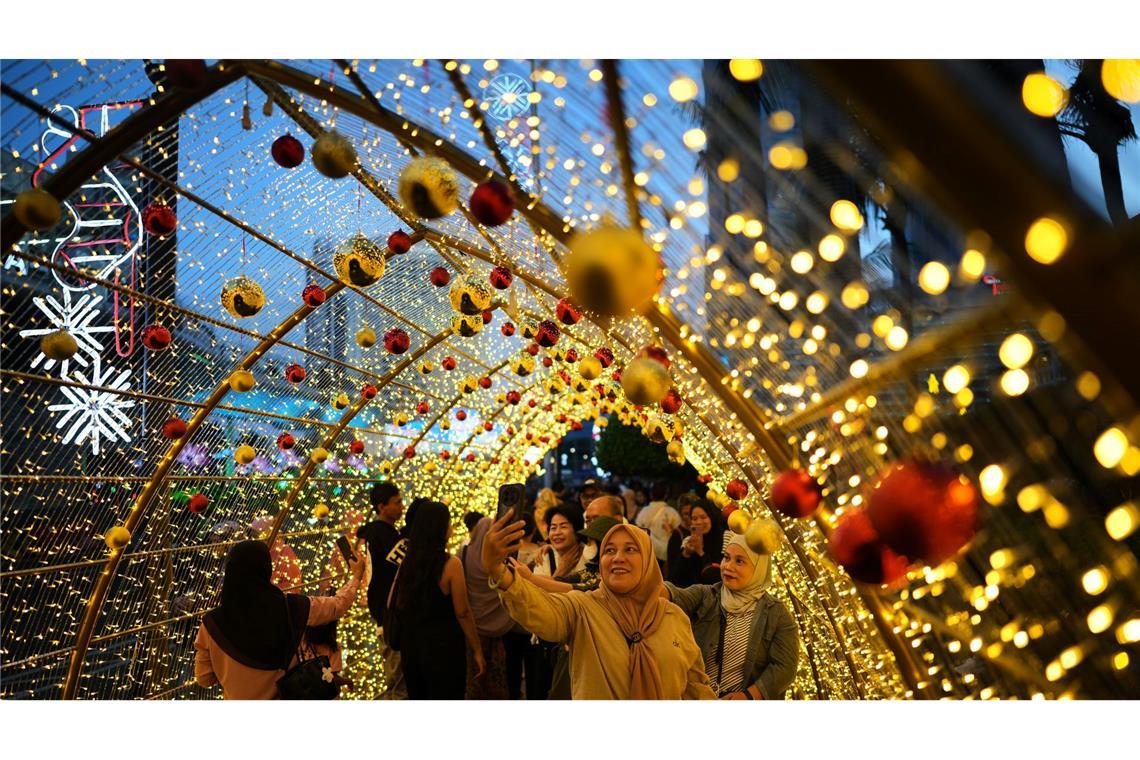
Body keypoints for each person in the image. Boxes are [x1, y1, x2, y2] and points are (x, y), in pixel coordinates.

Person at [482, 513, 715, 700]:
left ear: (648, 561)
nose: (618, 558)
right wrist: (499, 572)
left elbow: (695, 686)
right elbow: (539, 610)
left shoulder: (672, 616)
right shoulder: (583, 608)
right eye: (609, 550)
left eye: (631, 549)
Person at [194, 540, 363, 699]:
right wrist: (356, 576)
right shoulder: (294, 607)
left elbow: (204, 679)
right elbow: (337, 606)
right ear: (267, 569)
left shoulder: (211, 624)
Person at [664, 533, 800, 700]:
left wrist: (747, 696)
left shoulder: (776, 613)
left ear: (759, 568)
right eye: (726, 558)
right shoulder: (707, 595)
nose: (728, 566)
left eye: (739, 561)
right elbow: (674, 595)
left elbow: (784, 667)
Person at [390, 500, 485, 699]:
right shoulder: (451, 564)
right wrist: (477, 649)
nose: (451, 527)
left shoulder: (407, 562)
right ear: (439, 528)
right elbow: (463, 612)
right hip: (443, 648)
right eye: (448, 522)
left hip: (412, 648)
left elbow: (392, 601)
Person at [355, 481, 407, 699]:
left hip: (384, 610)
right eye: (397, 502)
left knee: (397, 671)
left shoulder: (378, 533)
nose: (401, 506)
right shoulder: (381, 535)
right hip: (387, 612)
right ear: (381, 506)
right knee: (397, 675)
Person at [461, 516, 515, 699]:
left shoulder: (464, 553)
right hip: (501, 627)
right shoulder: (499, 559)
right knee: (498, 678)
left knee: (475, 677)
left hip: (472, 628)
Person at [667, 499, 728, 588]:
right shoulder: (687, 541)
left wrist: (700, 552)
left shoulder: (725, 537)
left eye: (703, 517)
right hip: (691, 596)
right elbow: (675, 577)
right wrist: (686, 554)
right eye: (694, 518)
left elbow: (719, 576)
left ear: (711, 517)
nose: (699, 522)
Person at [636, 482, 683, 569]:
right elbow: (679, 533)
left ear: (651, 494)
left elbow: (638, 530)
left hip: (648, 551)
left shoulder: (644, 511)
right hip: (667, 552)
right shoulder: (672, 512)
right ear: (666, 495)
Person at [533, 505, 585, 579]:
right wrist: (560, 571)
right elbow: (536, 589)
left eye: (563, 527)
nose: (557, 533)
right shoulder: (545, 557)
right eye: (553, 528)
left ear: (577, 531)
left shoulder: (589, 555)